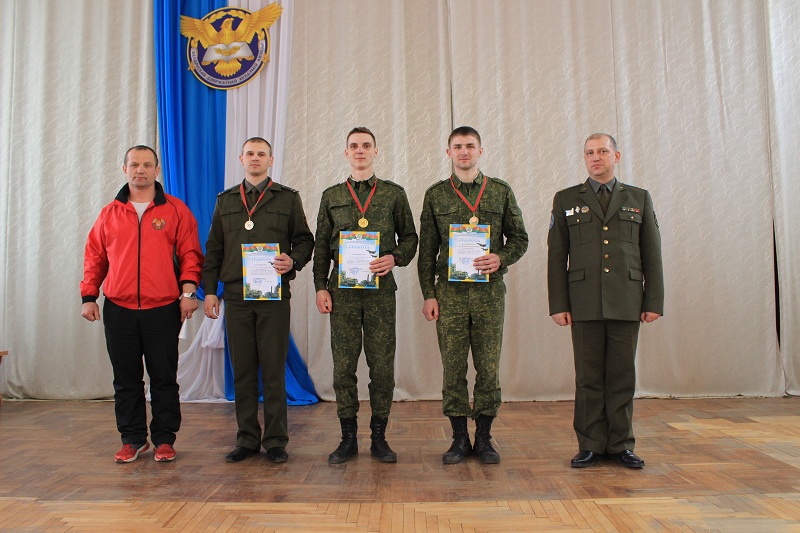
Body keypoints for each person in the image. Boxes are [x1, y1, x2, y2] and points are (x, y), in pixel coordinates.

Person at [547, 133, 664, 469]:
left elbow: (651, 253)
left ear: (617, 155)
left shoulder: (638, 198)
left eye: (602, 151)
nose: (595, 157)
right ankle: (590, 444)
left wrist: (652, 299)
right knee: (587, 376)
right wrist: (559, 303)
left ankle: (621, 444)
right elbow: (557, 255)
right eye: (589, 152)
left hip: (626, 299)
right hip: (582, 301)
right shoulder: (566, 198)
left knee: (622, 375)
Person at [81, 145, 204, 463]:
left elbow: (190, 254)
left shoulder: (175, 210)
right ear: (124, 169)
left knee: (164, 376)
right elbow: (95, 257)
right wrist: (88, 296)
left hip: (163, 308)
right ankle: (133, 439)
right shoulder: (109, 213)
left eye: (147, 165)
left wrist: (189, 294)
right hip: (118, 308)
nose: (140, 170)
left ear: (157, 170)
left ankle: (164, 439)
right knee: (125, 379)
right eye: (134, 164)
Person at [417, 126, 528, 464]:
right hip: (449, 295)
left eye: (470, 146)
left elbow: (520, 239)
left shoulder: (500, 191)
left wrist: (501, 258)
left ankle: (484, 438)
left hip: (489, 295)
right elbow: (427, 253)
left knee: (488, 368)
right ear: (448, 153)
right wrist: (429, 294)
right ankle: (459, 439)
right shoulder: (436, 195)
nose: (464, 152)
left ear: (481, 151)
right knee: (453, 369)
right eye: (457, 147)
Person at [203, 137, 314, 464]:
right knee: (243, 371)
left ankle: (276, 440)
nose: (255, 158)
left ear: (271, 159)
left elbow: (305, 241)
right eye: (250, 153)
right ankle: (247, 438)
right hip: (236, 298)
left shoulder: (288, 198)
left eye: (261, 154)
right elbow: (214, 250)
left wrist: (292, 260)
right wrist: (210, 290)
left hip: (273, 297)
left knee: (273, 369)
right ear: (241, 158)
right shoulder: (225, 202)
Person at [314, 127, 418, 464]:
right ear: (346, 153)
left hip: (380, 294)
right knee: (343, 367)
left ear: (376, 151)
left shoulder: (393, 194)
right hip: (341, 293)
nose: (360, 151)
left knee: (382, 366)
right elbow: (319, 248)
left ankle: (379, 437)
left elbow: (411, 238)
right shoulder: (331, 195)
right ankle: (347, 439)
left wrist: (395, 258)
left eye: (366, 145)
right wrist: (320, 287)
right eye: (354, 146)